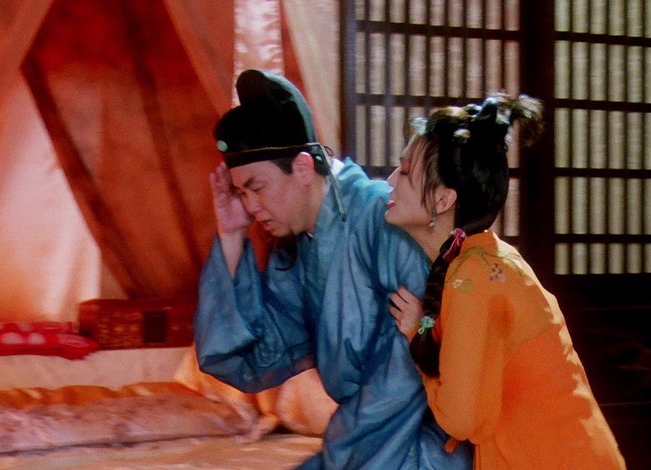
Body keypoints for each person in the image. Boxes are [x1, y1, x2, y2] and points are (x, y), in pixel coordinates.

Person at [193, 69, 473, 469]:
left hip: (419, 439)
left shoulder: (383, 218)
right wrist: (231, 235)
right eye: (241, 193)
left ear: (303, 168)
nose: (251, 207)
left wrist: (344, 446)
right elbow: (252, 357)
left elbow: (410, 365)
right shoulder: (296, 251)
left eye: (257, 188)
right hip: (365, 437)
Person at [385, 94, 627, 469]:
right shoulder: (480, 263)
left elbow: (463, 419)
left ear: (443, 199)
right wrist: (421, 328)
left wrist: (418, 333)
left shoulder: (473, 276)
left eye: (403, 172)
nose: (389, 181)